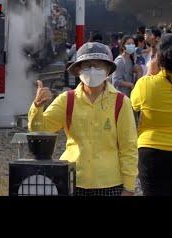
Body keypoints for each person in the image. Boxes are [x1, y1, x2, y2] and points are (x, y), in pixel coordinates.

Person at [29, 42, 138, 196]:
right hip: (73, 180)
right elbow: (40, 131)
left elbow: (129, 146)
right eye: (86, 66)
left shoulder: (120, 102)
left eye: (98, 65)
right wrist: (37, 107)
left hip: (110, 183)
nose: (92, 70)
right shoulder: (67, 99)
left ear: (108, 70)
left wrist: (129, 186)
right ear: (78, 70)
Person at [132, 34, 172, 196]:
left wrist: (149, 73)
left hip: (150, 151)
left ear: (157, 57)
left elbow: (134, 104)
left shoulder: (145, 84)